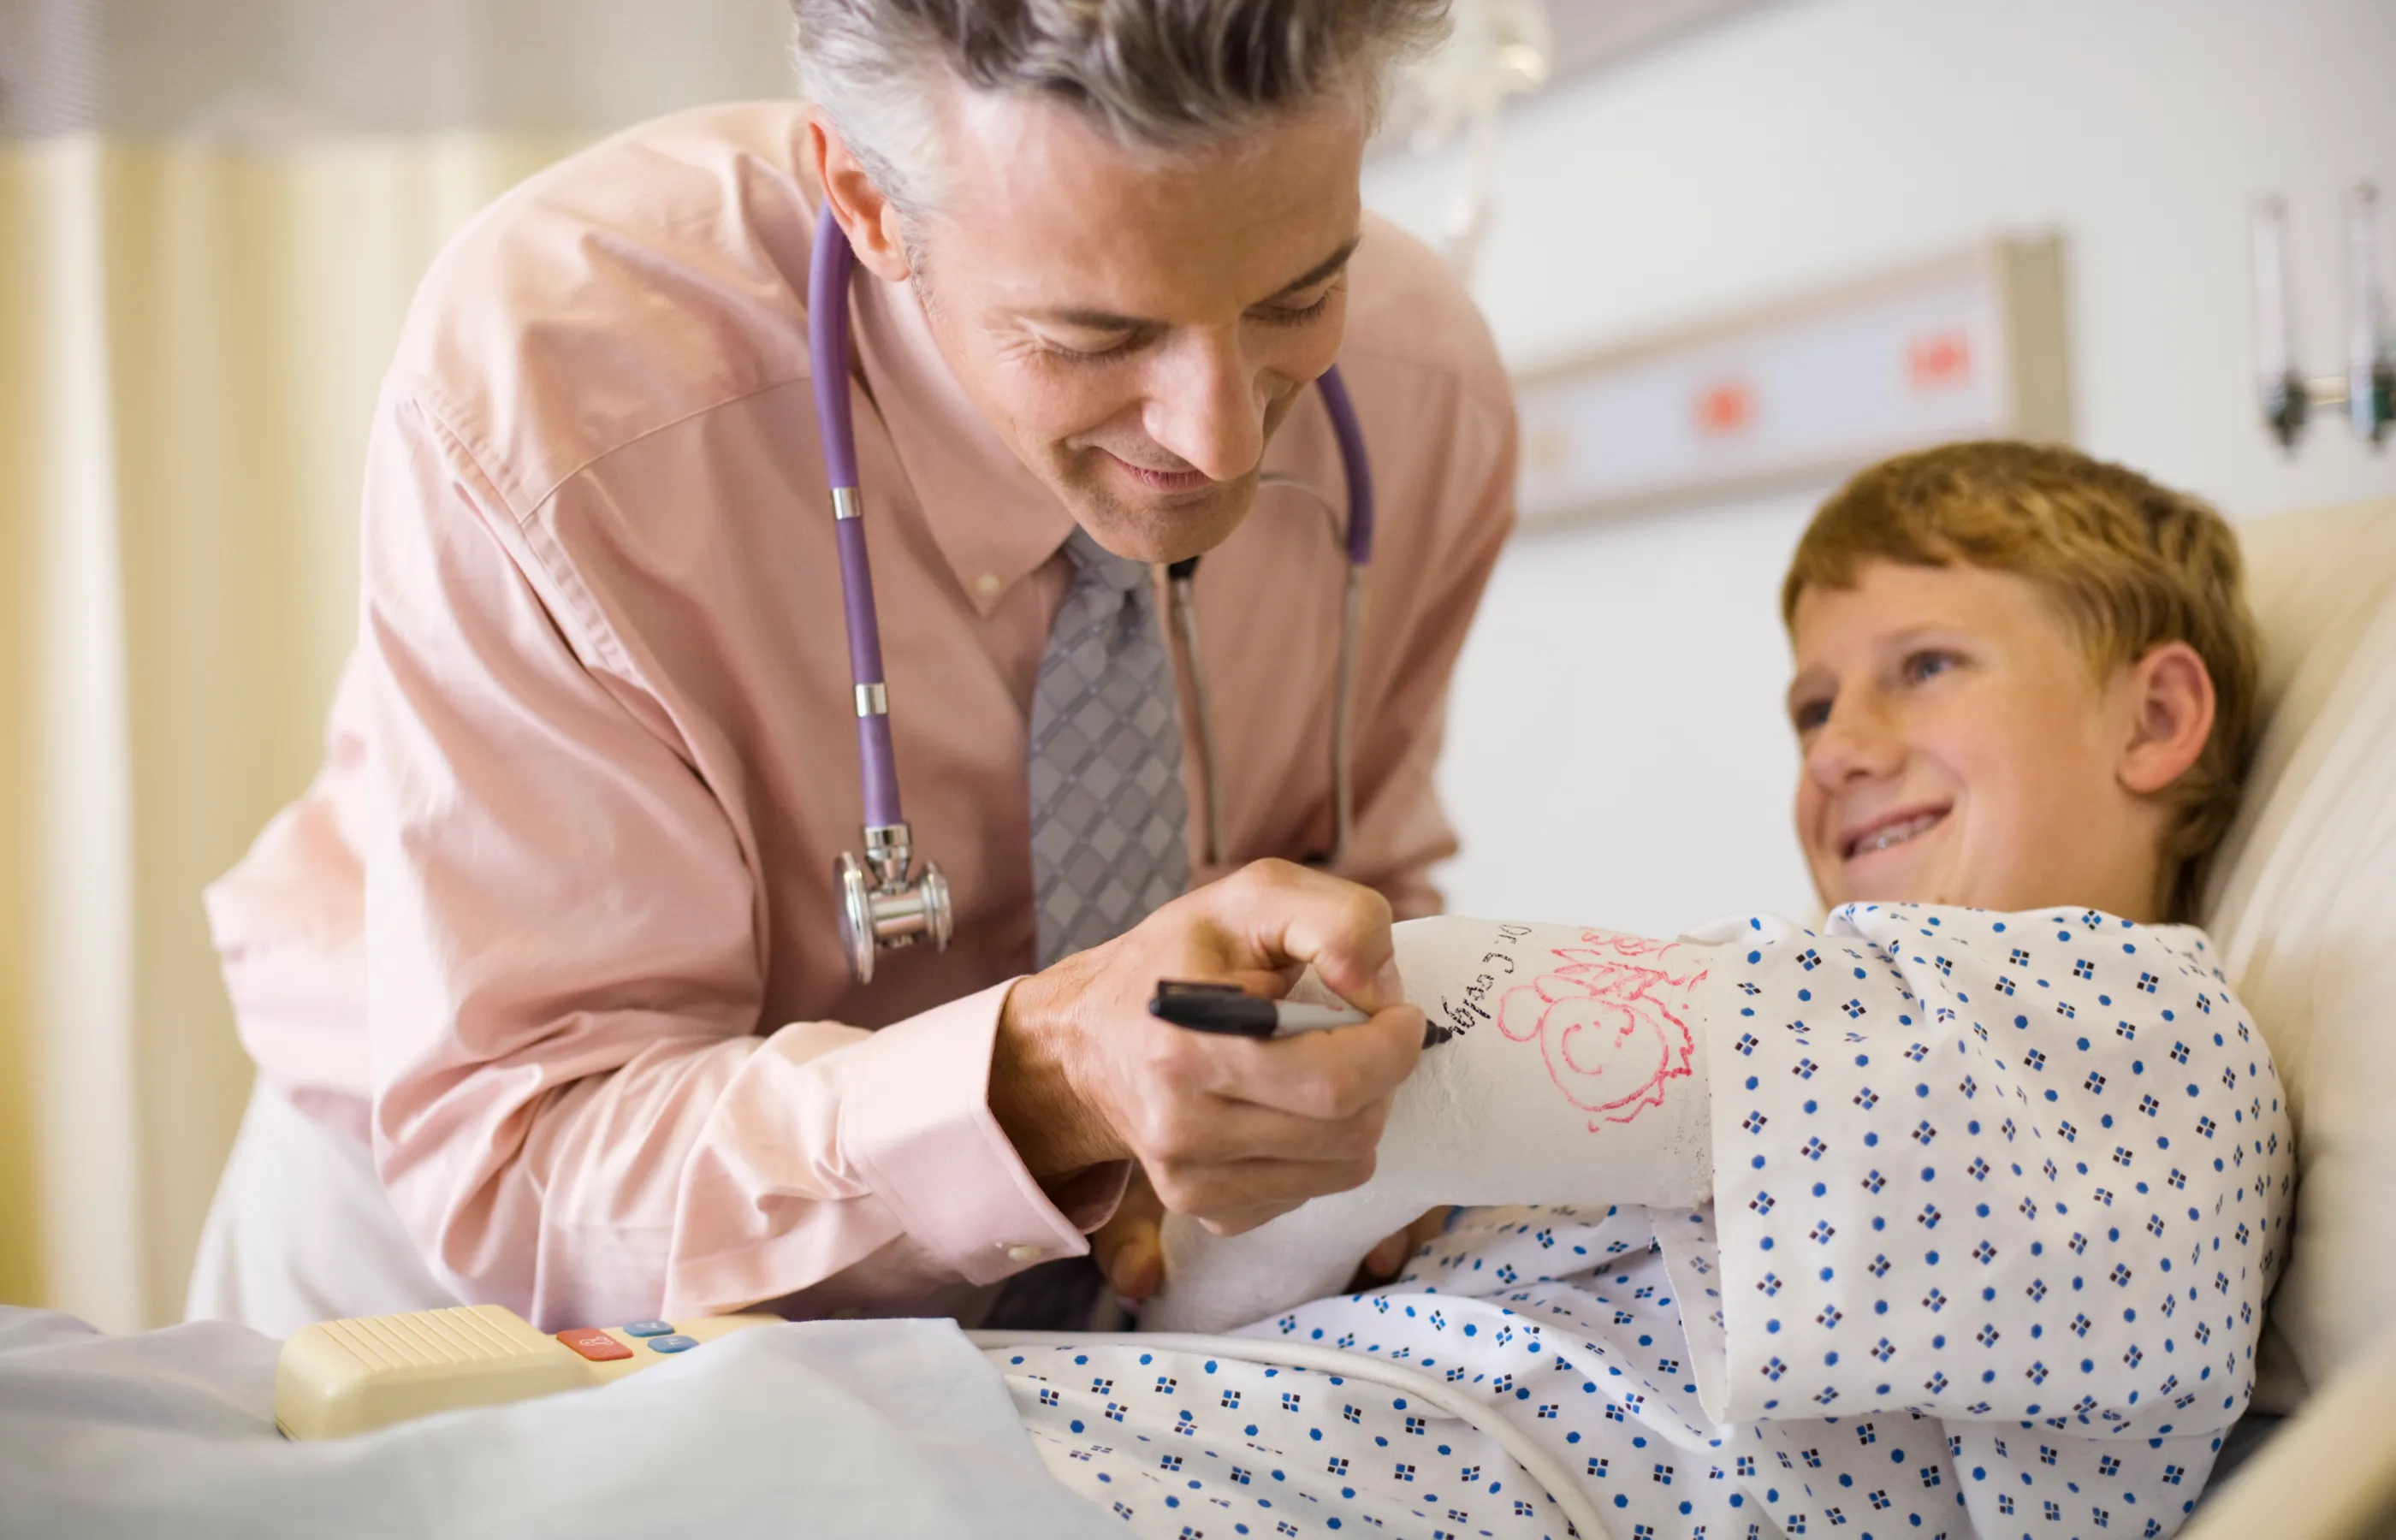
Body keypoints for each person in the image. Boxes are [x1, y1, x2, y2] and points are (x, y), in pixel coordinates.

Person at [187, 0, 1516, 1337]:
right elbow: (535, 1160)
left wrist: (1335, 1096)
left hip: (1088, 1304)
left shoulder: (1425, 392)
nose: (1221, 441)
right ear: (870, 202)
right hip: (484, 1265)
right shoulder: (562, 389)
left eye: (1298, 298)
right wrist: (1046, 1085)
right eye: (1095, 337)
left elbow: (1358, 890)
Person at [996, 441, 2292, 1540]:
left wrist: (1321, 1122)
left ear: (2156, 716)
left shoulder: (2149, 1027)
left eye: (1928, 666)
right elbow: (1210, 1264)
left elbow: (1472, 1026)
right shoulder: (1786, 1006)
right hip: (1225, 1424)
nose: (1839, 747)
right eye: (1812, 707)